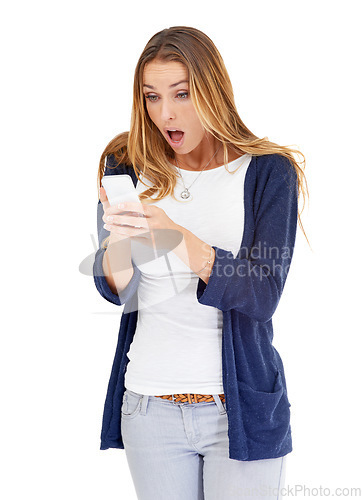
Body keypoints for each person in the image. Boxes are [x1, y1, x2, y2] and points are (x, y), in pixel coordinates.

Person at [93, 26, 308, 500]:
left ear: (212, 90)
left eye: (182, 94)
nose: (165, 113)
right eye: (151, 97)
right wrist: (121, 241)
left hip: (240, 412)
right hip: (149, 409)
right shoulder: (125, 163)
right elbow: (117, 289)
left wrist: (177, 236)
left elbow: (263, 294)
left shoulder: (268, 172)